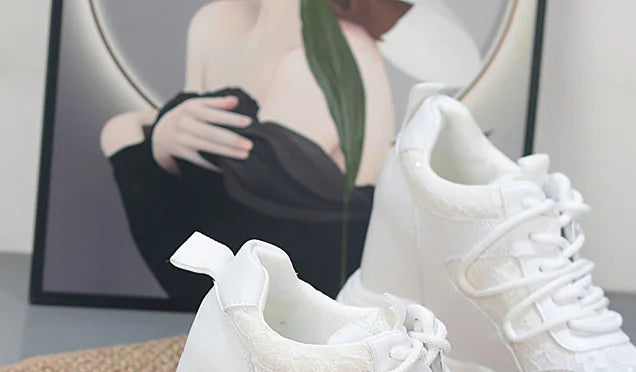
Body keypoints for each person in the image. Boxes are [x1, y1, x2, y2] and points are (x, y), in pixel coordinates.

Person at [100, 0, 409, 308]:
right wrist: (163, 133)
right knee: (122, 132)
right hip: (214, 292)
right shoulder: (215, 22)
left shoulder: (335, 53)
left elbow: (251, 229)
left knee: (123, 134)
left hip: (300, 299)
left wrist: (143, 137)